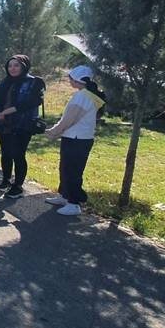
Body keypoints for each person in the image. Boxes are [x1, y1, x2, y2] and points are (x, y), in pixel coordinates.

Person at [44, 65, 106, 216]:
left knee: (72, 171)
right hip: (78, 138)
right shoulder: (89, 95)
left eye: (70, 78)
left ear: (76, 79)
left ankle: (73, 203)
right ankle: (64, 196)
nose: (69, 81)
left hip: (76, 139)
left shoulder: (82, 96)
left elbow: (69, 120)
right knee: (65, 168)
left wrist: (53, 132)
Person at [0, 54, 46, 199]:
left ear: (24, 66)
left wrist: (9, 111)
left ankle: (18, 186)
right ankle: (6, 180)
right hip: (4, 124)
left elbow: (34, 101)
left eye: (16, 65)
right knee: (6, 153)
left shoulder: (34, 82)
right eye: (10, 65)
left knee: (18, 154)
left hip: (23, 124)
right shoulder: (5, 82)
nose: (13, 68)